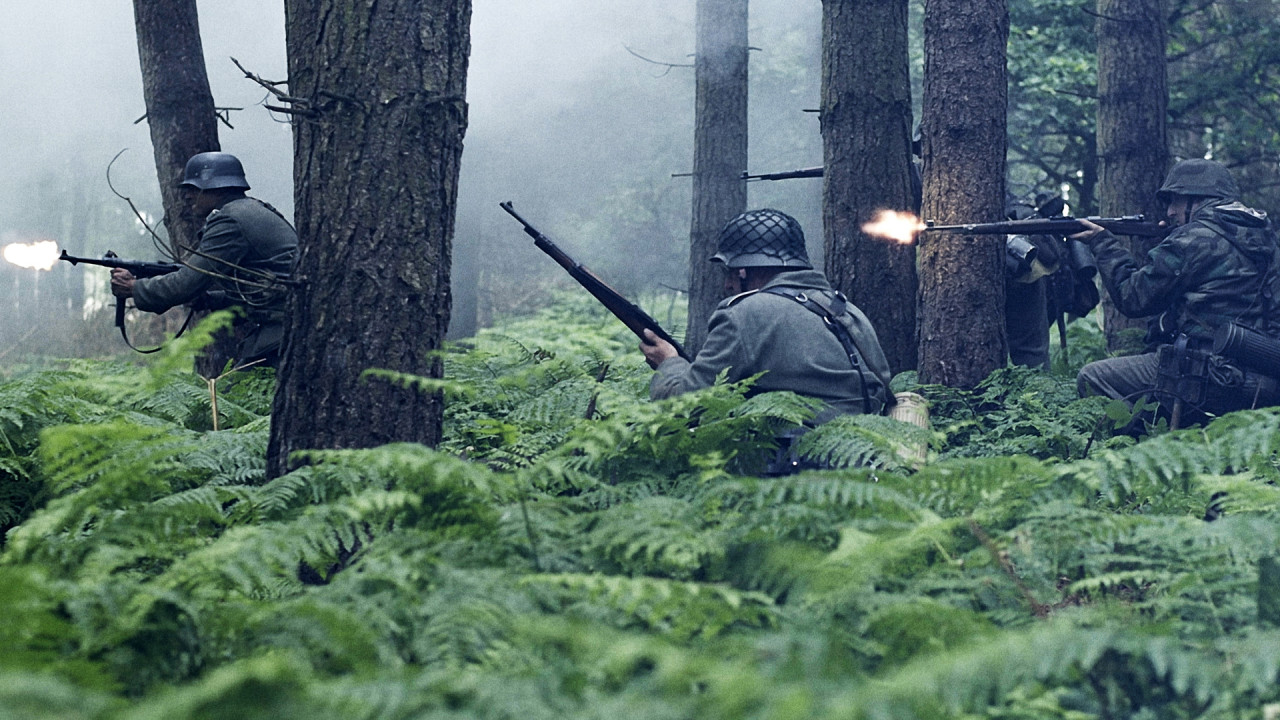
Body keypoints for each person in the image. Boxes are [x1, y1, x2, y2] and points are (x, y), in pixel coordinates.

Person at [1072, 158, 1280, 425]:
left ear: (1198, 200)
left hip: (1205, 375)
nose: (1169, 212)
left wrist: (1103, 244)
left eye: (1175, 201)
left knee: (1092, 377)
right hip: (1263, 376)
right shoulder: (1266, 236)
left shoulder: (1190, 240)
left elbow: (1132, 297)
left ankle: (1146, 451)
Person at [640, 208, 894, 426]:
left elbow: (683, 407)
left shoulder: (744, 314)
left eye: (729, 273)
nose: (727, 285)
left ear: (743, 271)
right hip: (868, 462)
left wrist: (669, 364)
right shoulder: (846, 310)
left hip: (792, 470)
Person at [110, 152, 298, 368]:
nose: (187, 196)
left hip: (283, 331)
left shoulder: (230, 220)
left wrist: (134, 288)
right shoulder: (248, 210)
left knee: (235, 396)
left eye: (194, 188)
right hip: (287, 326)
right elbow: (259, 290)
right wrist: (211, 300)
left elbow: (186, 283)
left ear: (217, 187)